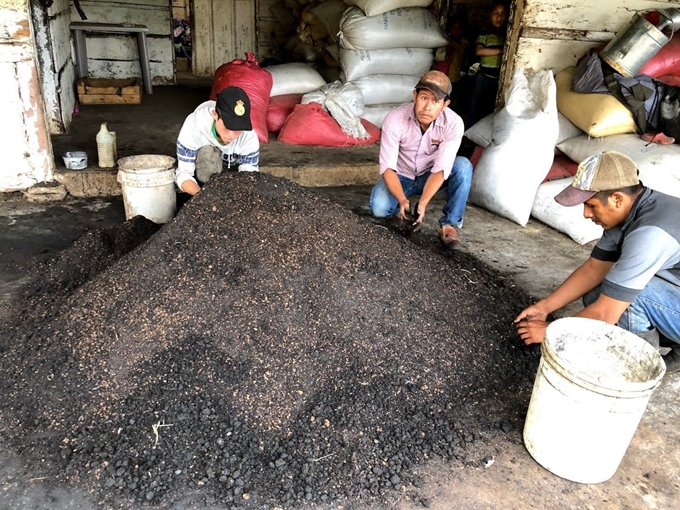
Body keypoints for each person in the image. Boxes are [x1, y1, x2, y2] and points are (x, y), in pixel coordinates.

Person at [514, 151, 680, 374]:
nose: (585, 214)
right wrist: (544, 307)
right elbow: (594, 270)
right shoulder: (631, 212)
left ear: (617, 199)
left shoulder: (651, 233)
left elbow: (608, 312)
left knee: (630, 299)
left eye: (591, 205)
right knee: (596, 294)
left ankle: (638, 368)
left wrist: (552, 331)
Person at [369, 70, 473, 250]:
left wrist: (423, 202)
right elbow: (387, 168)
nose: (428, 107)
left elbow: (441, 169)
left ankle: (449, 224)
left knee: (463, 166)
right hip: (402, 175)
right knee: (379, 209)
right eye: (424, 98)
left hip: (430, 175)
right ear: (415, 96)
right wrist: (402, 200)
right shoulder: (395, 119)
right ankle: (403, 213)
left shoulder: (453, 124)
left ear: (445, 104)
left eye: (435, 101)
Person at [175, 86, 259, 195]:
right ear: (215, 114)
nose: (232, 135)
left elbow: (250, 177)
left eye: (238, 129)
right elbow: (183, 175)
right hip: (203, 181)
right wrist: (205, 198)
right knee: (208, 153)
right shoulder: (194, 127)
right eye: (227, 127)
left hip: (234, 179)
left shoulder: (249, 137)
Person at [466, 1, 508, 129]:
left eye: (503, 14)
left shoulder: (508, 34)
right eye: (495, 13)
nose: (499, 17)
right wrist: (501, 51)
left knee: (492, 109)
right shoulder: (485, 33)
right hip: (483, 77)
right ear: (490, 15)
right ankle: (468, 135)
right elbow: (479, 51)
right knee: (475, 106)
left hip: (500, 80)